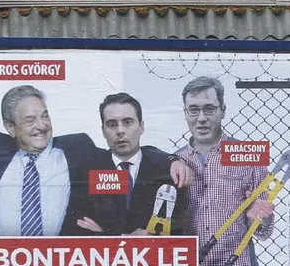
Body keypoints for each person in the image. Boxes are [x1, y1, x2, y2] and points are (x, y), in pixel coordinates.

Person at [174, 76, 275, 266]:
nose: (201, 118)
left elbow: (264, 230)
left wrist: (257, 217)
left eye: (209, 109)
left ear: (223, 110)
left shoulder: (248, 158)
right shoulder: (175, 161)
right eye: (194, 110)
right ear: (185, 113)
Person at [63, 92, 193, 237]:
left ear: (142, 127)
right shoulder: (87, 171)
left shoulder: (166, 170)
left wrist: (152, 237)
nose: (120, 131)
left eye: (128, 122)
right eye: (112, 124)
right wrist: (117, 238)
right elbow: (76, 228)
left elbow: (180, 229)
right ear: (103, 131)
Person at [0, 85, 98, 236]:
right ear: (10, 127)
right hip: (0, 257)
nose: (41, 125)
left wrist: (111, 232)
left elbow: (120, 177)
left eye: (45, 116)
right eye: (30, 120)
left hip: (58, 256)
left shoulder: (80, 149)